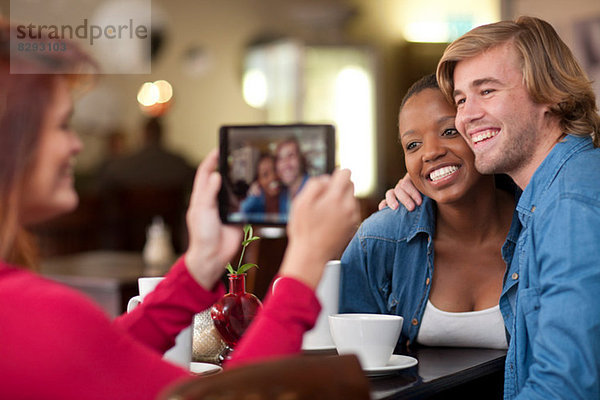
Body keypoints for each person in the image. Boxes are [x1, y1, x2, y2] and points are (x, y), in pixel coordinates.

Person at [0, 23, 360, 399]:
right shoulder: (35, 312)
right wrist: (303, 268)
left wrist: (199, 265)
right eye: (62, 125)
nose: (76, 144)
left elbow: (97, 360)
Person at [385, 16, 600, 400]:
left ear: (550, 94)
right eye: (463, 99)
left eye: (487, 91)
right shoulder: (552, 189)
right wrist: (425, 182)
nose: (467, 117)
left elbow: (564, 387)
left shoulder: (569, 208)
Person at [339, 73, 519, 351]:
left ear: (481, 133)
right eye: (413, 145)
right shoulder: (378, 240)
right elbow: (353, 363)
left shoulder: (541, 223)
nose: (430, 153)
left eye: (449, 132)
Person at [275, 137, 310, 214]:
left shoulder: (314, 189)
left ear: (300, 159)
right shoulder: (283, 194)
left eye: (291, 156)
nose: (285, 164)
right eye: (280, 158)